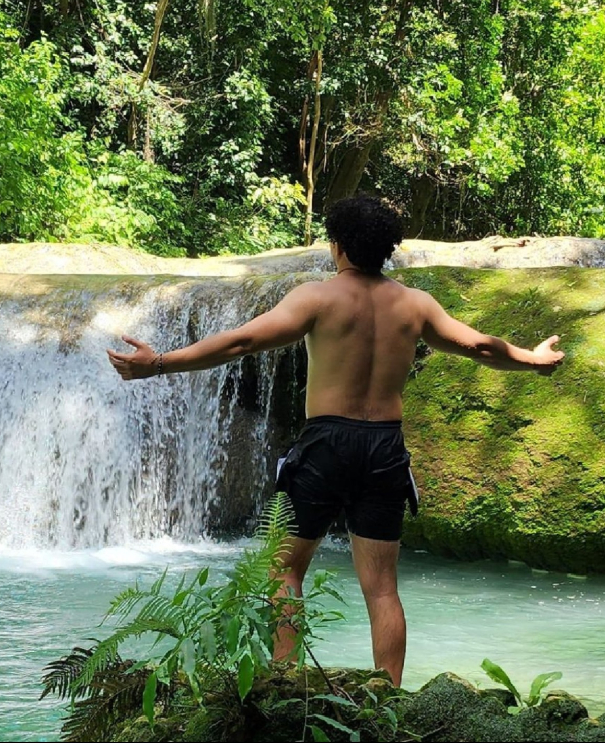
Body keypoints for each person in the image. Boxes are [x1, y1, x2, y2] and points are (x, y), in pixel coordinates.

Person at [106, 195, 564, 686]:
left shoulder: (317, 298)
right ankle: (385, 697)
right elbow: (477, 346)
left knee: (283, 570)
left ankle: (286, 681)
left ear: (337, 245)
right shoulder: (415, 305)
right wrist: (533, 359)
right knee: (383, 588)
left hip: (326, 442)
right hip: (385, 446)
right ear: (388, 250)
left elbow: (242, 342)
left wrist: (158, 365)